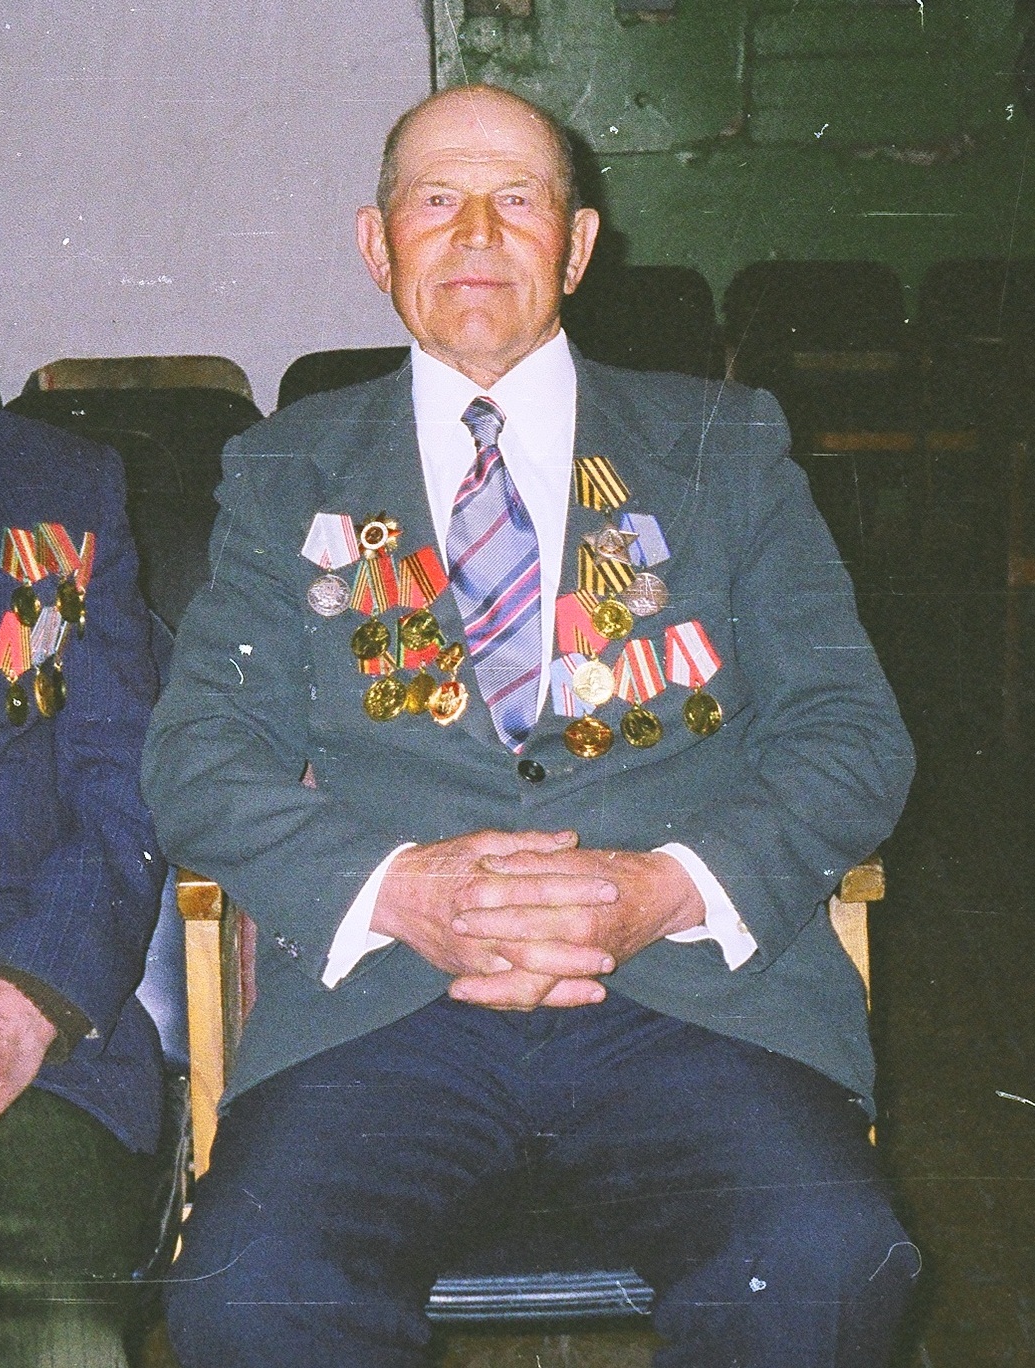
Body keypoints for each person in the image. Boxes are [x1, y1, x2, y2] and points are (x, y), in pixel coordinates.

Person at [144, 84, 919, 1367]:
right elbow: (198, 757)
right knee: (252, 1293)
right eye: (436, 200)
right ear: (376, 242)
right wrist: (402, 891)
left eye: (518, 199)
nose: (476, 234)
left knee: (828, 1261)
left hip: (696, 1003)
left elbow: (851, 732)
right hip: (385, 1008)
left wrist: (666, 888)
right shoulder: (287, 466)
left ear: (577, 245)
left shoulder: (720, 443)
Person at [0, 407, 166, 1366]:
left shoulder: (59, 482)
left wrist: (28, 1003)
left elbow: (123, 785)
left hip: (16, 1027)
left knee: (53, 1335)